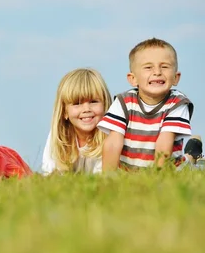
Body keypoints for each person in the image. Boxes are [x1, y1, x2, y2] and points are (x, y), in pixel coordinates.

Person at [98, 38, 193, 170]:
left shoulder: (177, 103)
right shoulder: (123, 102)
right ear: (133, 79)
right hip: (129, 170)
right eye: (148, 67)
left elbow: (164, 143)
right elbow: (113, 142)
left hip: (169, 168)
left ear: (176, 78)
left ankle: (192, 153)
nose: (157, 72)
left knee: (187, 163)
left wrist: (157, 178)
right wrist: (108, 177)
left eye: (164, 66)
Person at [41, 68, 112, 174]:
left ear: (105, 105)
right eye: (77, 103)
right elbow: (50, 173)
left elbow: (104, 178)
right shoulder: (58, 136)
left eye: (93, 101)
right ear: (65, 112)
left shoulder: (110, 137)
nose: (86, 109)